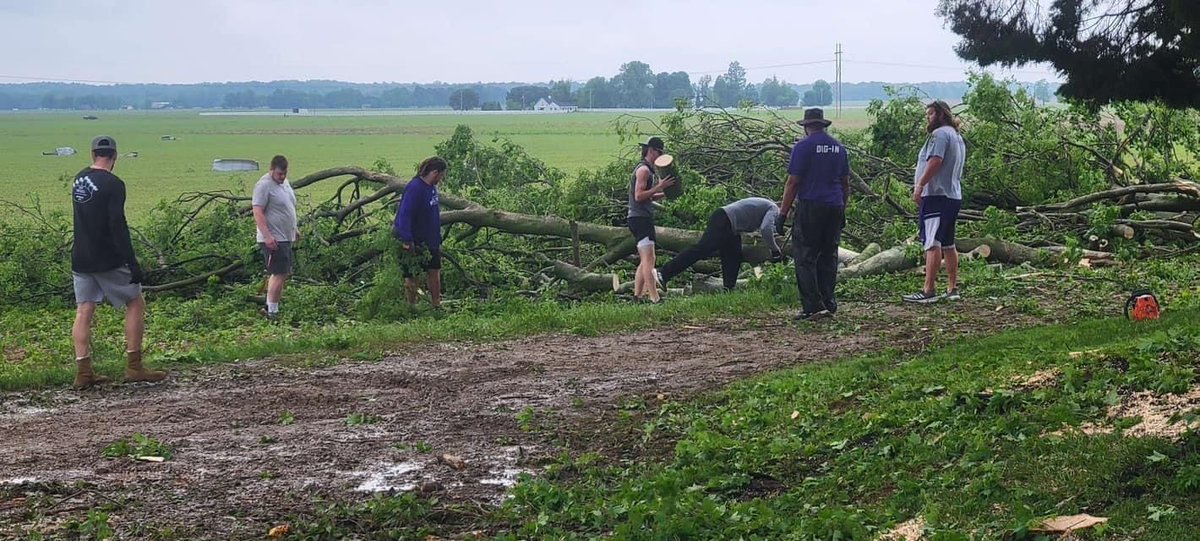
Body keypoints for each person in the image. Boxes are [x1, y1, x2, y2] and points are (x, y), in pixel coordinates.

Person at [70, 135, 167, 390]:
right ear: (114, 156)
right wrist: (132, 261)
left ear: (93, 154)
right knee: (135, 301)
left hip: (80, 256)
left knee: (84, 310)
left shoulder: (78, 179)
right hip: (107, 258)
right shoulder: (114, 184)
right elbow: (117, 225)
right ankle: (134, 366)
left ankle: (83, 372)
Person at [780, 108, 850, 321]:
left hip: (811, 204)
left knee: (805, 256)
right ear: (823, 125)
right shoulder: (838, 148)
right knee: (829, 255)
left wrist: (782, 213)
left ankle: (812, 306)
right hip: (834, 205)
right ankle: (828, 301)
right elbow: (846, 183)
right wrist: (842, 208)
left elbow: (793, 182)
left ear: (806, 126)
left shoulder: (803, 147)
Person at [904, 100, 966, 303]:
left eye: (930, 114)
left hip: (937, 195)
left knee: (932, 242)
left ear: (939, 114)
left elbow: (935, 161)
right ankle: (952, 287)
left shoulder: (939, 135)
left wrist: (920, 186)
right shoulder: (956, 136)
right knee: (948, 243)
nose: (927, 118)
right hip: (953, 195)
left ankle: (928, 289)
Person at [657, 197, 783, 291]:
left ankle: (728, 289)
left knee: (733, 256)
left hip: (731, 226)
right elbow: (766, 228)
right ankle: (664, 273)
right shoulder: (774, 209)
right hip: (724, 220)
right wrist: (775, 250)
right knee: (702, 249)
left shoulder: (767, 206)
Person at [394, 157, 448, 309]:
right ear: (435, 173)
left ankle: (436, 304)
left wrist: (437, 237)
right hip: (414, 240)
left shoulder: (431, 187)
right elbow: (404, 214)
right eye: (442, 175)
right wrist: (406, 240)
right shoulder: (415, 187)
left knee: (435, 271)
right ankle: (412, 307)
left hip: (431, 240)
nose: (442, 178)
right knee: (412, 275)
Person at [627, 137, 676, 303]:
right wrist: (659, 186)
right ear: (652, 151)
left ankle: (637, 295)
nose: (660, 157)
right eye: (659, 153)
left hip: (640, 218)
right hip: (640, 219)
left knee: (646, 259)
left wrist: (665, 193)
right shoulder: (644, 171)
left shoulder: (647, 170)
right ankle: (654, 298)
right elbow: (639, 196)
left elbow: (648, 196)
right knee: (650, 259)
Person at [252, 155, 299, 319]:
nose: (282, 177)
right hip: (273, 238)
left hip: (285, 235)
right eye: (279, 174)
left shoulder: (284, 183)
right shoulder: (264, 185)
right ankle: (273, 312)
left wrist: (294, 229)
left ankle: (269, 306)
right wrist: (267, 236)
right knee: (279, 273)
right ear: (271, 170)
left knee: (282, 273)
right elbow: (257, 211)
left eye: (285, 173)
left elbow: (288, 206)